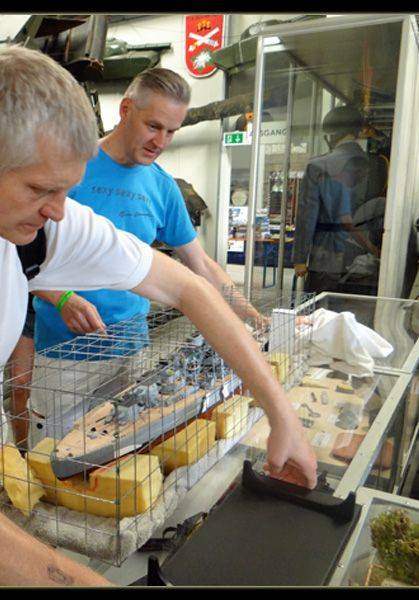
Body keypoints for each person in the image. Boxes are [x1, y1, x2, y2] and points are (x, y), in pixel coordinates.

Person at [0, 47, 317, 587]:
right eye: (40, 189)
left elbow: (188, 288)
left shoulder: (40, 226)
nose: (58, 210)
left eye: (66, 189)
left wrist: (282, 414)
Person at [24, 68, 266, 446]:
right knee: (54, 454)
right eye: (153, 126)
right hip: (65, 350)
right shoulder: (73, 168)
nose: (161, 141)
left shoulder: (162, 186)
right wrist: (63, 297)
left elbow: (199, 264)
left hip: (130, 346)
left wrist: (247, 313)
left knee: (121, 452)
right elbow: (23, 252)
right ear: (125, 110)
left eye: (172, 131)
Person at [293, 105, 382, 295]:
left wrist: (300, 258)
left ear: (331, 135)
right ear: (358, 132)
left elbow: (306, 216)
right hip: (366, 259)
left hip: (325, 256)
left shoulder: (318, 166)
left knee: (318, 315)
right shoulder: (379, 164)